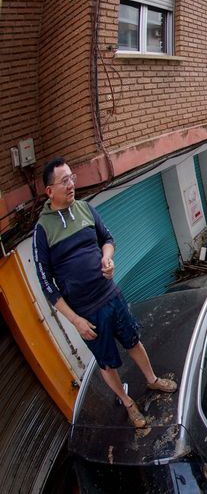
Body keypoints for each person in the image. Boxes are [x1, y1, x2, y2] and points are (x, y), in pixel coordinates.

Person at [33, 158, 177, 428]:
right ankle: (128, 403)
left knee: (133, 340)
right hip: (86, 313)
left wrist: (107, 259)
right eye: (64, 181)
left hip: (111, 295)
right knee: (107, 362)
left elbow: (107, 240)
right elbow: (46, 285)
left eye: (71, 178)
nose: (71, 184)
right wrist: (75, 320)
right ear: (49, 191)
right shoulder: (42, 231)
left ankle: (152, 380)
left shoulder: (86, 209)